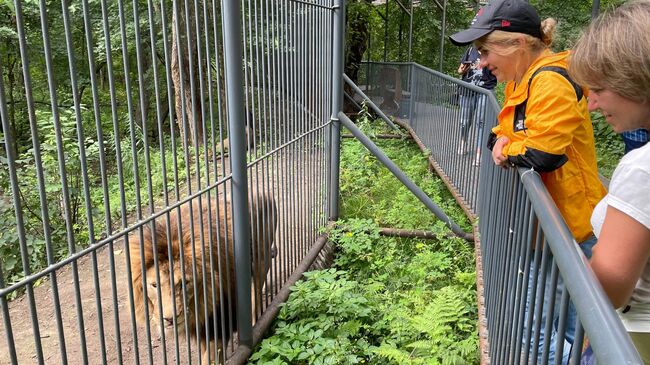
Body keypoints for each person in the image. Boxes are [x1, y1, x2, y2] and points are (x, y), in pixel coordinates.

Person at [449, 0, 606, 363]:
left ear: (517, 43)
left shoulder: (549, 80)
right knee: (569, 326)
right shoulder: (521, 80)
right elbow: (495, 135)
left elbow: (543, 154)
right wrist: (504, 144)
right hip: (545, 231)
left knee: (534, 334)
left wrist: (506, 147)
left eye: (486, 51)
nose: (483, 62)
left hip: (568, 228)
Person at [569, 1, 650, 363]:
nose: (592, 104)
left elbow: (609, 287)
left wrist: (572, 261)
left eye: (599, 88)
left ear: (637, 80)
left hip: (630, 338)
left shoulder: (641, 169)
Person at [457, 46, 497, 165]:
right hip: (467, 90)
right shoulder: (470, 50)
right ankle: (463, 142)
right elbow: (459, 70)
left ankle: (479, 153)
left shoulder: (493, 50)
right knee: (464, 121)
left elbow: (497, 71)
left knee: (481, 122)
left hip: (484, 91)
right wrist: (464, 69)